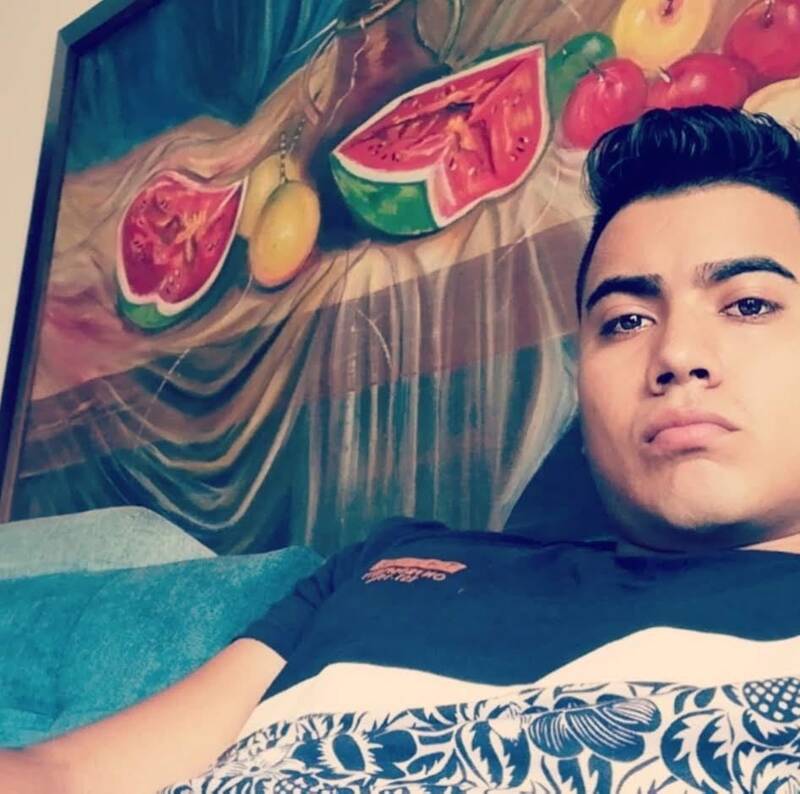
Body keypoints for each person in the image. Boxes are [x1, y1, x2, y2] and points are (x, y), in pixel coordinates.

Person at [5, 105, 800, 793]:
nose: (676, 354)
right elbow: (64, 776)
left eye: (750, 304)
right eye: (624, 321)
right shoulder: (389, 568)